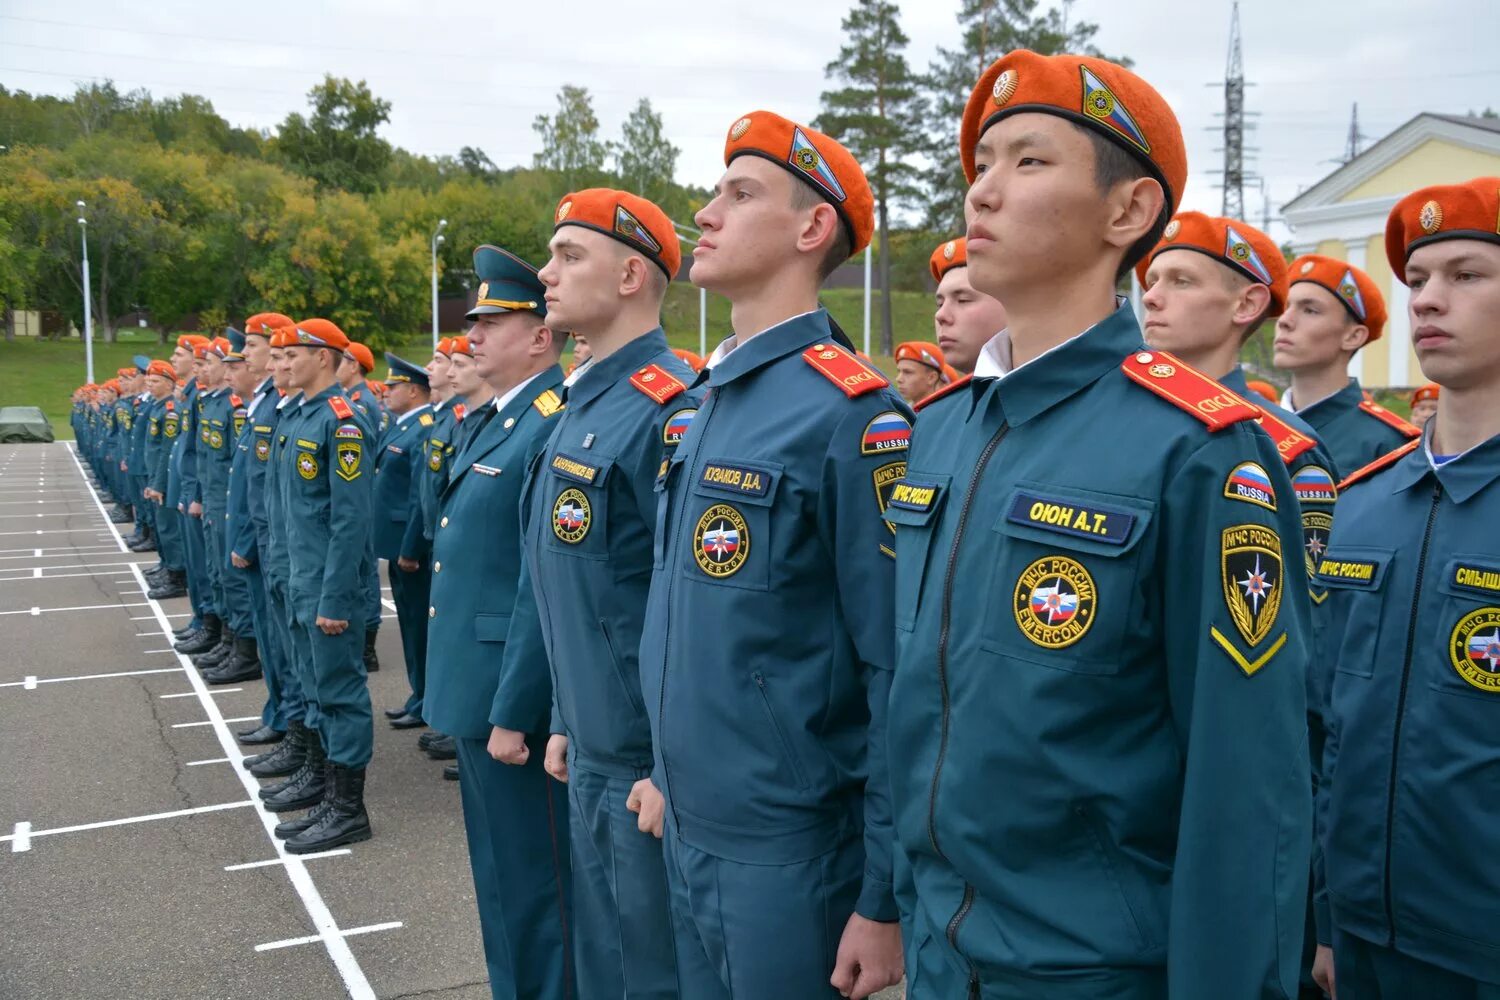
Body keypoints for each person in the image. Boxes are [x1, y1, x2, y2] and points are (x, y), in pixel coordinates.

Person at [888, 51, 1312, 998]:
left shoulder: (1199, 451)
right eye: (981, 164)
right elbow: (915, 697)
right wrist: (889, 897)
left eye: (1029, 162)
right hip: (941, 949)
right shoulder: (944, 430)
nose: (983, 193)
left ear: (1127, 214)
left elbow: (1249, 786)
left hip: (1094, 967)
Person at [639, 110, 908, 1000]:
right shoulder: (708, 398)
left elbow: (895, 672)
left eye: (739, 193)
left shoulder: (852, 415)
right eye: (715, 191)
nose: (705, 213)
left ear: (811, 227)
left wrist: (882, 892)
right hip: (690, 820)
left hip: (787, 854)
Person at [1136, 211, 1340, 999]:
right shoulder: (1124, 432)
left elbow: (1292, 658)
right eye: (1150, 280)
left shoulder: (1283, 451)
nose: (1154, 297)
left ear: (1248, 305)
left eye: (1181, 280)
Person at [1311, 177, 1500, 999]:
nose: (1427, 300)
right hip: (1360, 935)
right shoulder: (1363, 505)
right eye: (1417, 279)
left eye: (1465, 275)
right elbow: (1325, 726)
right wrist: (1322, 912)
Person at [527, 188, 701, 997]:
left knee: (651, 971)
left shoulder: (671, 408)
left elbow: (688, 609)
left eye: (569, 256)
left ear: (633, 274)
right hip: (592, 742)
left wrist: (668, 762)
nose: (545, 273)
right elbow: (575, 587)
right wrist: (564, 716)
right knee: (603, 961)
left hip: (642, 760)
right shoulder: (584, 397)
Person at [423, 244, 572, 999]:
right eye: (473, 321)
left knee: (536, 893)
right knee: (501, 883)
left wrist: (514, 710)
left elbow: (536, 588)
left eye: (492, 321)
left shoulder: (549, 423)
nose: (472, 335)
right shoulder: (496, 421)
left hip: (510, 702)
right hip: (475, 690)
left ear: (540, 336)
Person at [264, 318, 376, 854]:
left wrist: (334, 597)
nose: (281, 363)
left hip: (327, 588)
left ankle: (348, 807)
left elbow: (350, 522)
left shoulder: (343, 422)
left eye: (294, 354)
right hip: (296, 578)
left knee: (339, 693)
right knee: (311, 685)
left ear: (326, 358)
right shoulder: (299, 417)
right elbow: (287, 511)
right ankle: (319, 782)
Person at [1274, 254, 1419, 476]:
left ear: (1353, 336)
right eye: (1286, 307)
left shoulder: (1387, 443)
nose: (1284, 321)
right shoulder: (1253, 422)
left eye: (1310, 310)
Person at [374, 354, 434, 731]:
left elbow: (418, 496)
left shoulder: (422, 428)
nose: (387, 391)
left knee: (419, 626)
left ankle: (426, 699)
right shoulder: (402, 425)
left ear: (413, 391)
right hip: (396, 545)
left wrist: (411, 547)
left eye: (393, 386)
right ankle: (418, 695)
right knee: (410, 625)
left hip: (410, 548)